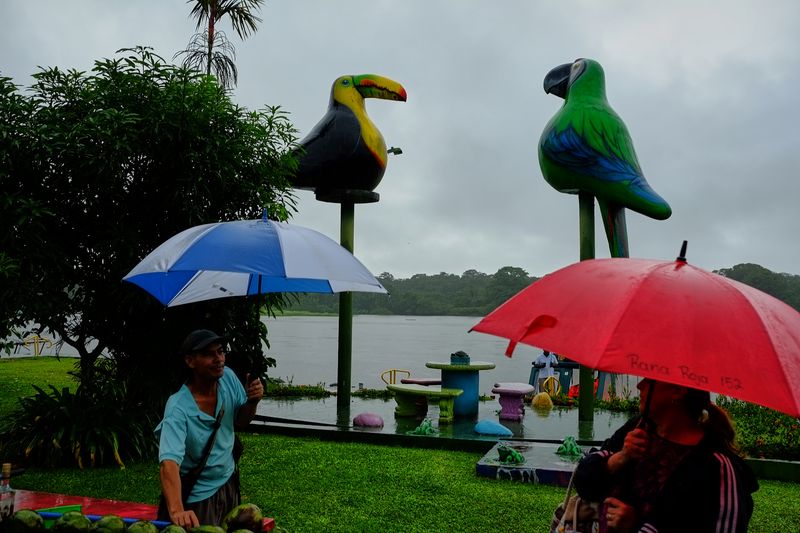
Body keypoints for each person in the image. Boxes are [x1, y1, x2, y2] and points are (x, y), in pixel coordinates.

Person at [573, 378, 758, 532]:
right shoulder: (638, 428)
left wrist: (635, 525)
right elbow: (584, 483)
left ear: (677, 390)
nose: (640, 385)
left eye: (650, 380)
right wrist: (620, 457)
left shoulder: (716, 467)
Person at [155, 329, 264, 528]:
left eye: (221, 351)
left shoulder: (228, 378)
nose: (218, 359)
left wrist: (252, 402)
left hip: (228, 483)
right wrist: (178, 510)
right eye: (208, 354)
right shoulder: (178, 407)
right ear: (190, 361)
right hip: (198, 497)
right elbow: (169, 463)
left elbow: (241, 421)